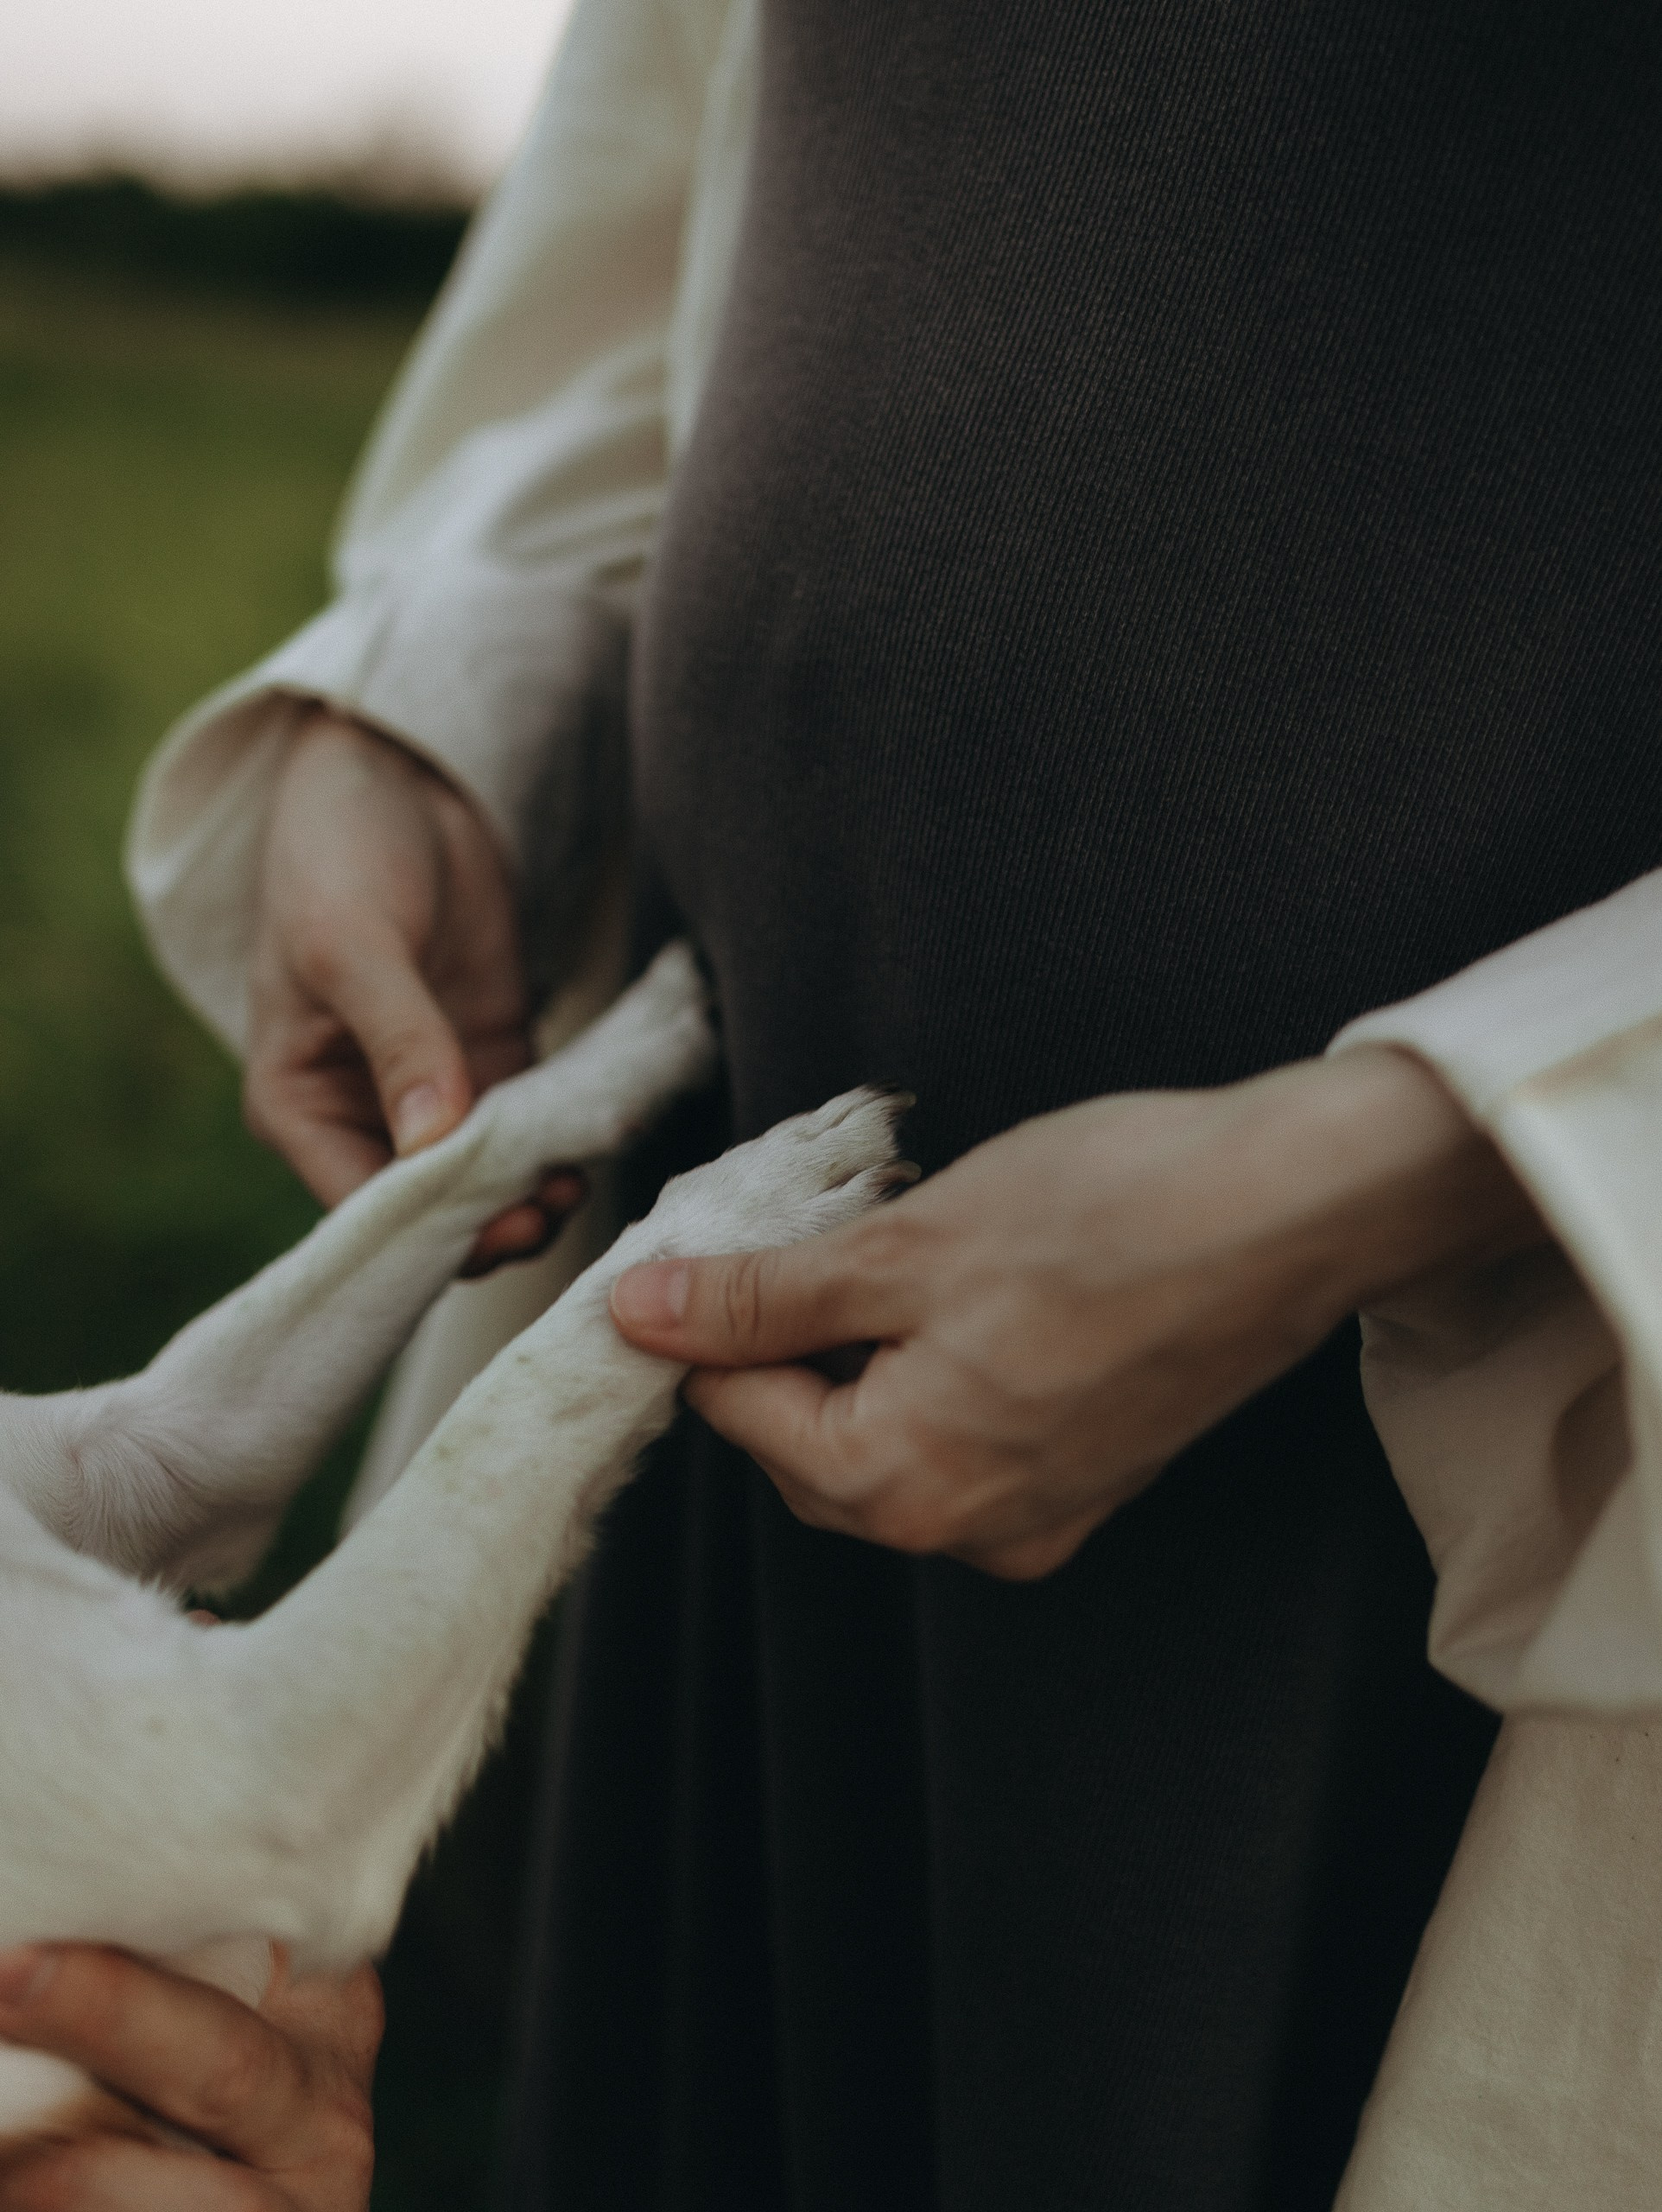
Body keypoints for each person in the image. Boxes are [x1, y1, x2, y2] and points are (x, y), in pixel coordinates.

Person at [9, 0, 1662, 2205]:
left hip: (1440, 1432)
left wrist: (1423, 1148)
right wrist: (425, 705)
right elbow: (664, 200)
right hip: (759, 1428)